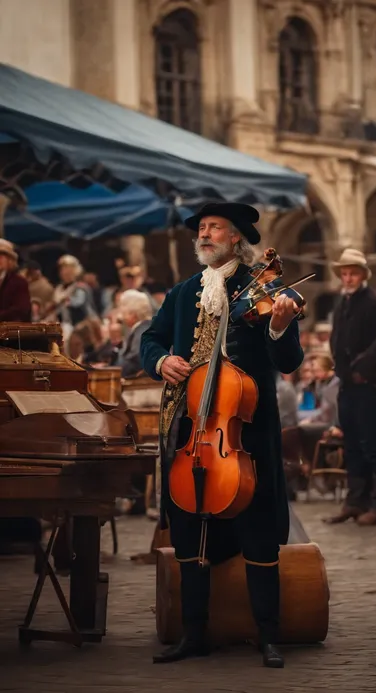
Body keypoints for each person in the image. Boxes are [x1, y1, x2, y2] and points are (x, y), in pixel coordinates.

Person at [140, 202, 303, 668]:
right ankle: (194, 632)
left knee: (258, 529)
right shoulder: (184, 291)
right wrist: (160, 361)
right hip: (192, 426)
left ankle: (267, 634)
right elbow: (150, 339)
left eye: (214, 228)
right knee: (190, 527)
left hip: (245, 429)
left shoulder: (264, 288)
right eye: (202, 228)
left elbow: (288, 361)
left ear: (237, 238)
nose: (205, 234)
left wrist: (278, 325)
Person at [324, 248, 376, 526]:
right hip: (347, 383)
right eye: (344, 273)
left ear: (363, 275)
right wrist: (343, 370)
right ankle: (355, 502)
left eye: (353, 273)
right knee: (352, 442)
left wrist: (364, 369)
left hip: (369, 383)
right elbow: (337, 339)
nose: (348, 278)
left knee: (373, 443)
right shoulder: (343, 302)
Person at [0, 239, 31, 322]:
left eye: (2, 256)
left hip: (12, 331)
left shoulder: (19, 282)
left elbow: (21, 310)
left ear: (10, 260)